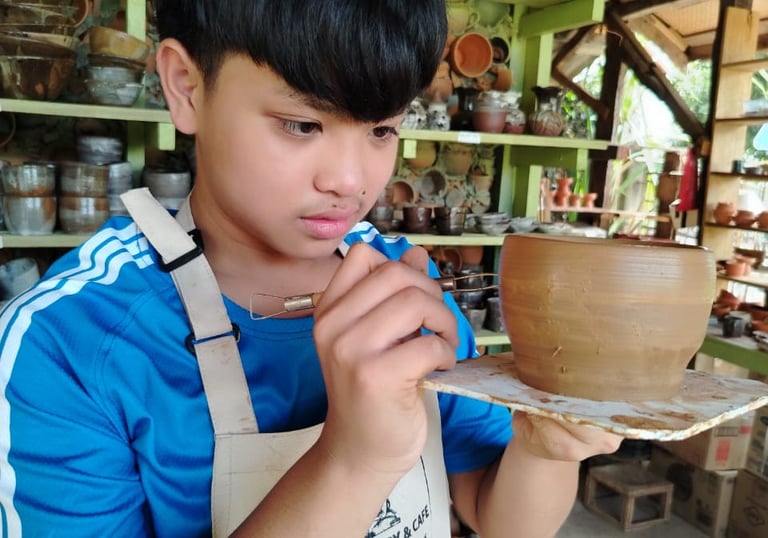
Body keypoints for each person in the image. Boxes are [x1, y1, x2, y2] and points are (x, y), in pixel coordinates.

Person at [0, 1, 622, 536]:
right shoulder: (68, 344)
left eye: (381, 130)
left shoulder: (401, 284)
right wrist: (354, 461)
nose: (350, 181)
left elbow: (498, 516)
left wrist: (544, 451)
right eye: (301, 124)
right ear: (187, 87)